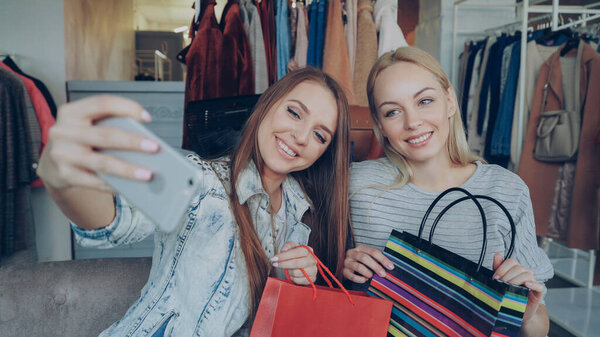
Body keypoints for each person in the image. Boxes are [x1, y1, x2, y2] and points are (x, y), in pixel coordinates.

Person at [37, 67, 351, 336]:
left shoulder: (301, 210)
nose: (301, 136)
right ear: (267, 106)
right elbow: (115, 222)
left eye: (320, 135)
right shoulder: (201, 181)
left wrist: (298, 276)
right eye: (294, 113)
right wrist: (64, 182)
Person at [343, 47, 553, 337]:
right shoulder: (356, 184)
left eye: (425, 101)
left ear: (450, 101)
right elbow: (316, 275)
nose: (413, 122)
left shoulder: (505, 190)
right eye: (393, 111)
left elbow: (539, 328)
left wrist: (526, 314)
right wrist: (343, 266)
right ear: (380, 125)